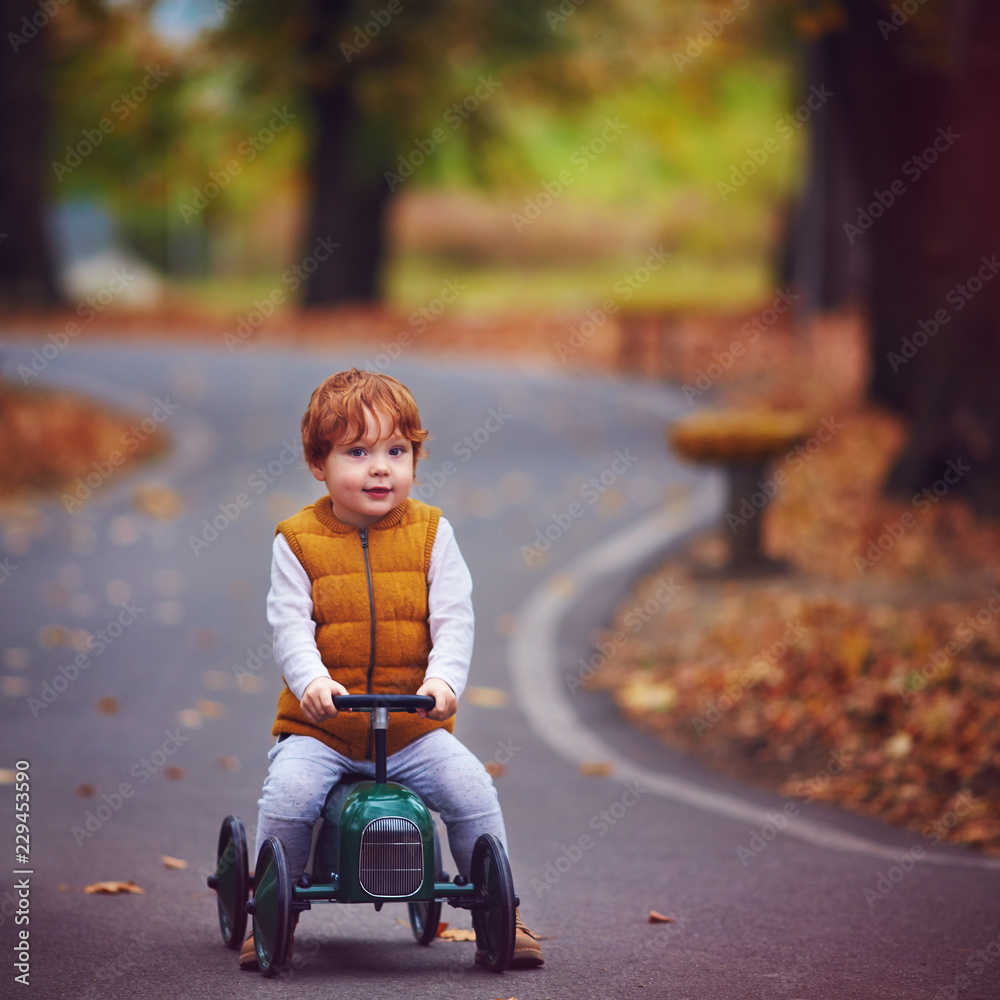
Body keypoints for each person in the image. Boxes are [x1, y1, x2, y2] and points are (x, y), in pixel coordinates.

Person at [241, 368, 543, 970]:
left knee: (470, 788)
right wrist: (312, 683)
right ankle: (270, 906)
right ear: (317, 463)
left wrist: (444, 682)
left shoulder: (432, 534)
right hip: (322, 728)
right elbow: (290, 626)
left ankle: (501, 911)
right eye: (357, 452)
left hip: (412, 727)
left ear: (414, 459)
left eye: (396, 451)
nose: (380, 467)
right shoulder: (297, 540)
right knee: (291, 792)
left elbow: (454, 617)